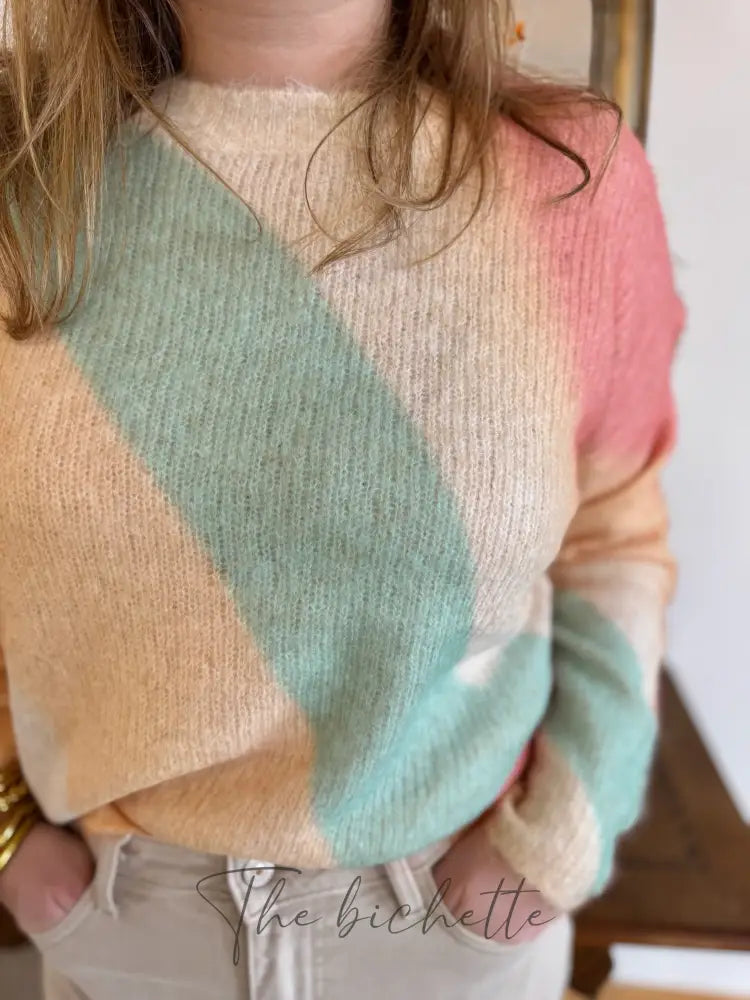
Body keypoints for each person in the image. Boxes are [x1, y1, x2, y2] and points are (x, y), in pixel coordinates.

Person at [0, 1, 684, 997]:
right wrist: (9, 834)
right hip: (121, 924)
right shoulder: (22, 179)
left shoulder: (566, 180)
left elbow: (612, 534)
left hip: (447, 927)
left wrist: (551, 850)